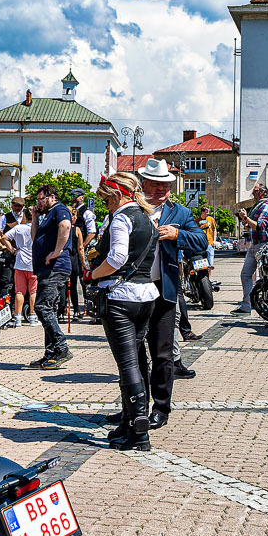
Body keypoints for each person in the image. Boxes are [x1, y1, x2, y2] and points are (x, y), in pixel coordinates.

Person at [88, 171, 162, 449]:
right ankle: (129, 422)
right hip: (145, 295)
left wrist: (95, 273)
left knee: (128, 364)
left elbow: (117, 257)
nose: (106, 205)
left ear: (118, 195)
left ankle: (139, 432)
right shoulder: (147, 219)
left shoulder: (121, 218)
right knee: (137, 361)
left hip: (120, 297)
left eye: (107, 200)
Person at [139, 160, 207, 421]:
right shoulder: (132, 208)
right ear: (144, 183)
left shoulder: (180, 213)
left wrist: (177, 234)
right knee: (132, 354)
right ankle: (134, 408)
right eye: (156, 184)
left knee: (162, 353)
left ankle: (160, 409)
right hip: (133, 290)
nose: (161, 190)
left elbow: (201, 240)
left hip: (163, 289)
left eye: (165, 185)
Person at [29, 184, 75, 368]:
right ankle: (51, 353)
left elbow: (66, 226)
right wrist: (34, 217)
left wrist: (56, 252)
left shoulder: (60, 210)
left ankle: (61, 348)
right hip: (46, 269)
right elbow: (35, 238)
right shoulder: (47, 215)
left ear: (51, 197)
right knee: (49, 309)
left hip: (55, 268)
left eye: (40, 199)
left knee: (42, 307)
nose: (38, 203)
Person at [234, 185, 268, 314]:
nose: (253, 193)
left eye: (255, 191)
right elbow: (250, 227)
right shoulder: (257, 207)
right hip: (254, 244)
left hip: (265, 245)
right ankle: (247, 305)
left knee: (265, 277)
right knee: (246, 274)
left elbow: (260, 226)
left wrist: (246, 218)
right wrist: (245, 220)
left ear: (262, 192)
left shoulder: (266, 207)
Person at [68, 187, 97, 320]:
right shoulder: (71, 211)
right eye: (72, 196)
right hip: (73, 251)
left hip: (82, 250)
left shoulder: (87, 213)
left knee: (84, 279)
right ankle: (75, 308)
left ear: (82, 197)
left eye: (75, 196)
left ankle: (87, 306)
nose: (73, 198)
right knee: (74, 280)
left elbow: (91, 232)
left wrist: (82, 246)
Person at [7, 208, 36, 324]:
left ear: (25, 216)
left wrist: (12, 250)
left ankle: (18, 317)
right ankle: (33, 317)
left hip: (20, 261)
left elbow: (4, 237)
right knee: (33, 291)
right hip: (33, 262)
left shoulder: (18, 228)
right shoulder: (37, 229)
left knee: (19, 291)